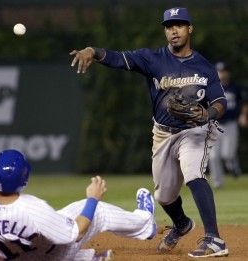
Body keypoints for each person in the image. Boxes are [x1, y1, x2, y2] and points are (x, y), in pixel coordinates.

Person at [70, 6, 229, 258]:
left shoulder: (204, 66)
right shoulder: (152, 59)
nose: (173, 30)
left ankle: (214, 239)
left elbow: (220, 100)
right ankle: (182, 224)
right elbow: (118, 58)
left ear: (190, 28)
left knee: (192, 172)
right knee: (164, 196)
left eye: (178, 25)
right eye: (168, 26)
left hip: (195, 131)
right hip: (163, 134)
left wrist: (208, 114)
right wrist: (93, 51)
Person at [0, 149, 157, 261]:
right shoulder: (33, 208)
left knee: (53, 223)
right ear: (23, 178)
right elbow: (77, 231)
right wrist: (93, 199)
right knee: (98, 213)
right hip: (47, 257)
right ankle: (146, 225)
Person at [208, 62, 248, 188]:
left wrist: (243, 115)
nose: (222, 74)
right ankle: (217, 182)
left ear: (228, 73)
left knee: (227, 155)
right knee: (213, 157)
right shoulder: (210, 89)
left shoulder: (235, 88)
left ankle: (233, 165)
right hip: (214, 125)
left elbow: (244, 103)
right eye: (219, 71)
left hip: (230, 125)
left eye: (223, 71)